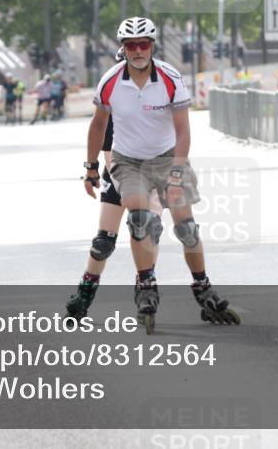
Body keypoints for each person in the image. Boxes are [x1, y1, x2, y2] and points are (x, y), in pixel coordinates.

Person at [78, 17, 238, 332]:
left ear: (153, 46)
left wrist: (178, 170)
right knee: (140, 220)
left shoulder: (170, 79)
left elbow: (183, 130)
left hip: (167, 158)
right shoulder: (110, 81)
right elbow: (98, 126)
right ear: (122, 48)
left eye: (143, 44)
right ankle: (146, 286)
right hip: (129, 161)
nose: (137, 51)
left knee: (187, 229)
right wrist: (91, 166)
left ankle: (202, 287)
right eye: (130, 45)